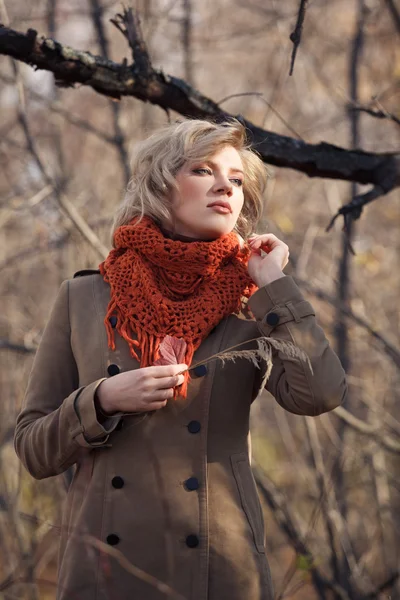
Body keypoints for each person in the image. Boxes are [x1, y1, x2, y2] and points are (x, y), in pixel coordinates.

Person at [14, 119, 347, 600]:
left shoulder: (251, 299)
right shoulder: (85, 297)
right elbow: (33, 450)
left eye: (235, 179)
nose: (224, 187)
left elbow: (321, 394)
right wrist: (102, 400)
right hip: (105, 570)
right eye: (202, 171)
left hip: (219, 566)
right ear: (160, 185)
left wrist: (275, 285)